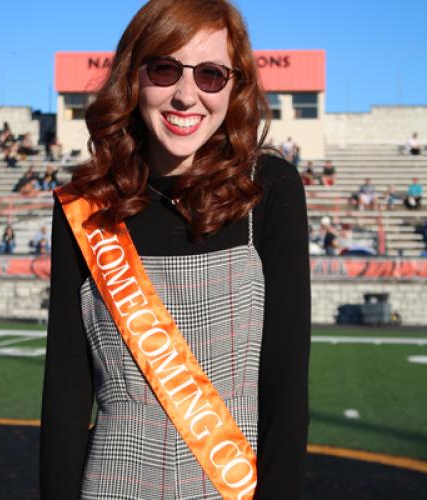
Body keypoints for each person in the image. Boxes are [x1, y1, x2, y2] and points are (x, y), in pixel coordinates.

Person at [40, 1, 310, 499]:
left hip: (232, 485)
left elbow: (285, 386)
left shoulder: (270, 189)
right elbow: (65, 391)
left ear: (235, 86)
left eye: (211, 75)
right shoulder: (84, 205)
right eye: (164, 69)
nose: (186, 96)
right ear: (133, 76)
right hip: (113, 486)